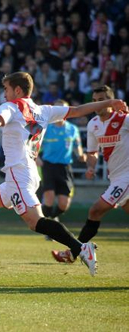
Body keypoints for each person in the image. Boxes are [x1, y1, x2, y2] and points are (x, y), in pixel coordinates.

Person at [0, 72, 128, 277]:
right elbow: (79, 110)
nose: (4, 94)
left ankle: (81, 249)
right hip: (25, 174)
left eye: (6, 89)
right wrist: (111, 102)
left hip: (19, 174)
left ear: (17, 90)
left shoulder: (11, 106)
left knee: (35, 222)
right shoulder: (43, 110)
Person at [52, 85, 129, 263]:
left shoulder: (124, 119)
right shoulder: (93, 124)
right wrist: (91, 167)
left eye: (100, 100)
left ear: (110, 101)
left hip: (126, 176)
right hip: (116, 177)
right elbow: (93, 152)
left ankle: (73, 252)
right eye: (93, 101)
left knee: (95, 211)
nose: (96, 104)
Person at [37, 99, 86, 223]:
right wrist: (36, 158)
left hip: (65, 167)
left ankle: (51, 221)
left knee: (64, 204)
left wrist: (80, 155)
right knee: (49, 197)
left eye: (62, 109)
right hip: (48, 165)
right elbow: (33, 144)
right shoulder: (46, 128)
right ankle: (48, 227)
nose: (59, 112)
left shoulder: (73, 129)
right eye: (56, 109)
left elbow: (77, 145)